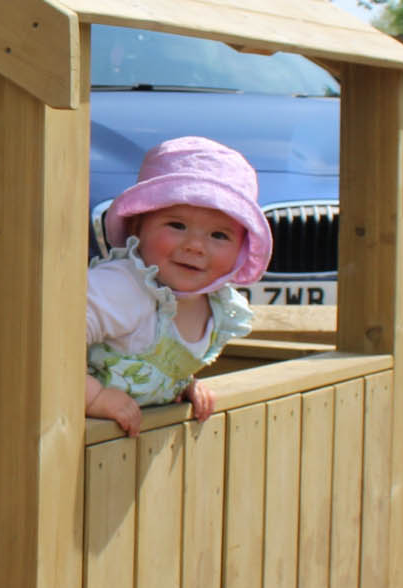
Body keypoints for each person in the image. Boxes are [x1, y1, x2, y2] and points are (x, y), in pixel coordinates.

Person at [85, 136, 273, 436]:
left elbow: (159, 362)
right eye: (177, 225)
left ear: (241, 249)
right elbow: (43, 341)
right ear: (138, 227)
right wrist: (92, 396)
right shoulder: (123, 287)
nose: (196, 246)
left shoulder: (215, 305)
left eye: (219, 235)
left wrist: (181, 383)